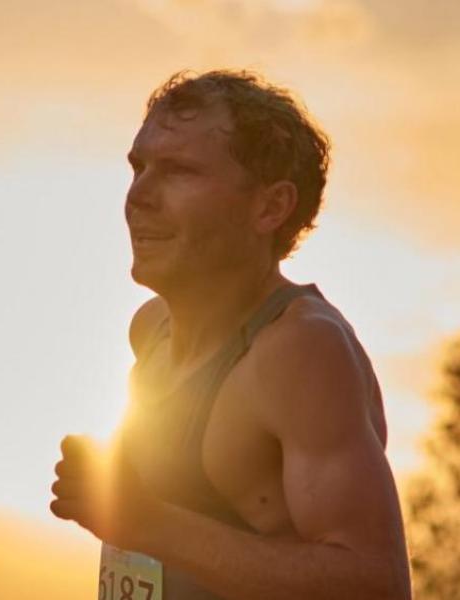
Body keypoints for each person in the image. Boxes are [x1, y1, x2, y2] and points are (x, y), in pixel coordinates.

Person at [50, 70, 413, 600]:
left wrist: (148, 523)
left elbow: (375, 584)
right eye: (138, 167)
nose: (138, 196)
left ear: (270, 207)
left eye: (178, 172)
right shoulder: (150, 330)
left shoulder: (301, 351)